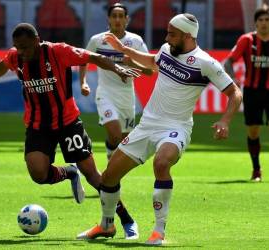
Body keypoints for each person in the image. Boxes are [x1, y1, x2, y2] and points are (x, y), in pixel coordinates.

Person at [77, 13, 242, 245]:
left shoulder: (206, 62)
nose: (166, 37)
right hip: (147, 125)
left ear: (187, 36)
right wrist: (123, 48)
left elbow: (235, 92)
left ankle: (158, 232)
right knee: (109, 176)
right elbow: (152, 62)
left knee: (162, 163)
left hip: (176, 128)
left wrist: (225, 120)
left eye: (171, 34)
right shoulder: (167, 49)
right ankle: (107, 225)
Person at [0, 23, 140, 239]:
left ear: (37, 41)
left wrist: (118, 68)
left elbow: (93, 57)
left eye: (26, 47)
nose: (22, 53)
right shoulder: (16, 56)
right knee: (38, 174)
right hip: (38, 125)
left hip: (67, 123)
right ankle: (68, 172)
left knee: (93, 175)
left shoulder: (58, 51)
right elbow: (3, 63)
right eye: (18, 47)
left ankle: (126, 220)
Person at [79, 2, 153, 161]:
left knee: (123, 139)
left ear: (127, 19)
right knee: (114, 133)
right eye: (114, 16)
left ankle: (111, 159)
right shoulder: (97, 40)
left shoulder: (135, 41)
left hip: (126, 95)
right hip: (105, 93)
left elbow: (150, 70)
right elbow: (83, 60)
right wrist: (83, 82)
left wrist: (132, 63)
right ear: (109, 19)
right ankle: (111, 161)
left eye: (121, 16)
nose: (117, 19)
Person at [224, 5, 269, 182]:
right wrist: (233, 79)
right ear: (255, 22)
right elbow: (228, 62)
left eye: (267, 20)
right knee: (253, 131)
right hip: (252, 92)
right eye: (261, 20)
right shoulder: (247, 40)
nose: (264, 23)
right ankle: (256, 170)